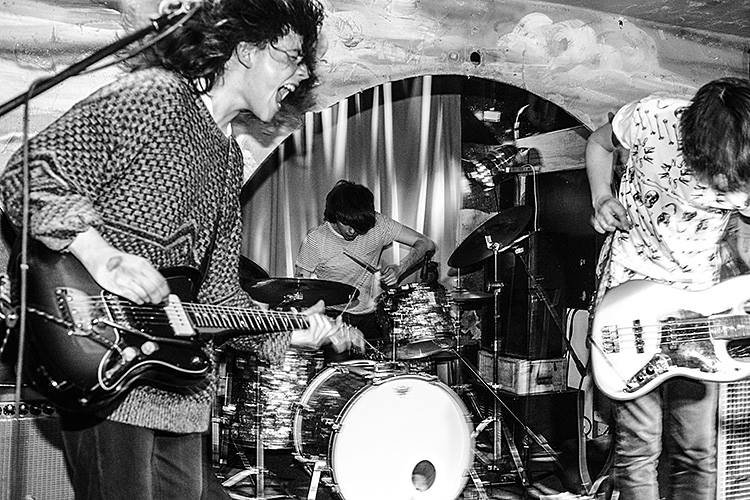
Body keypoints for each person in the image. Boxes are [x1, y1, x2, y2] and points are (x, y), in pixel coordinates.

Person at [0, 0, 362, 498]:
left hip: (182, 392)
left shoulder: (228, 158)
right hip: (106, 359)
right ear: (245, 49)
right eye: (291, 57)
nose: (300, 75)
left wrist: (291, 334)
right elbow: (29, 175)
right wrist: (103, 257)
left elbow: (220, 298)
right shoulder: (157, 97)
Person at [586, 77, 750, 500]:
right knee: (639, 449)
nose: (728, 188)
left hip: (702, 311)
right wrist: (602, 197)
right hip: (630, 303)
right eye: (720, 175)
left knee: (698, 450)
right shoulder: (650, 118)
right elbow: (599, 144)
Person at [295, 179, 436, 342]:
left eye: (358, 225)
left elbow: (426, 243)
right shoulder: (316, 240)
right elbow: (299, 291)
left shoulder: (379, 225)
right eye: (346, 223)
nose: (352, 231)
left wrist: (400, 268)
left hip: (371, 315)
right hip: (333, 317)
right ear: (334, 216)